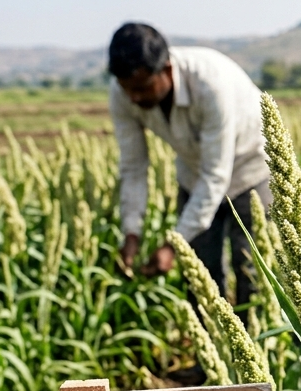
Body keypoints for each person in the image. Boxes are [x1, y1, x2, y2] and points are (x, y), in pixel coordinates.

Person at [108, 22, 270, 314]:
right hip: (195, 173)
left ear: (167, 70)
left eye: (142, 89)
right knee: (200, 275)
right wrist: (131, 231)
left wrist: (173, 245)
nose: (134, 98)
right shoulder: (124, 92)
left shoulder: (210, 84)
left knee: (252, 270)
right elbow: (133, 167)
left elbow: (216, 174)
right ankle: (209, 352)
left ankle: (253, 350)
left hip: (249, 170)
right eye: (127, 89)